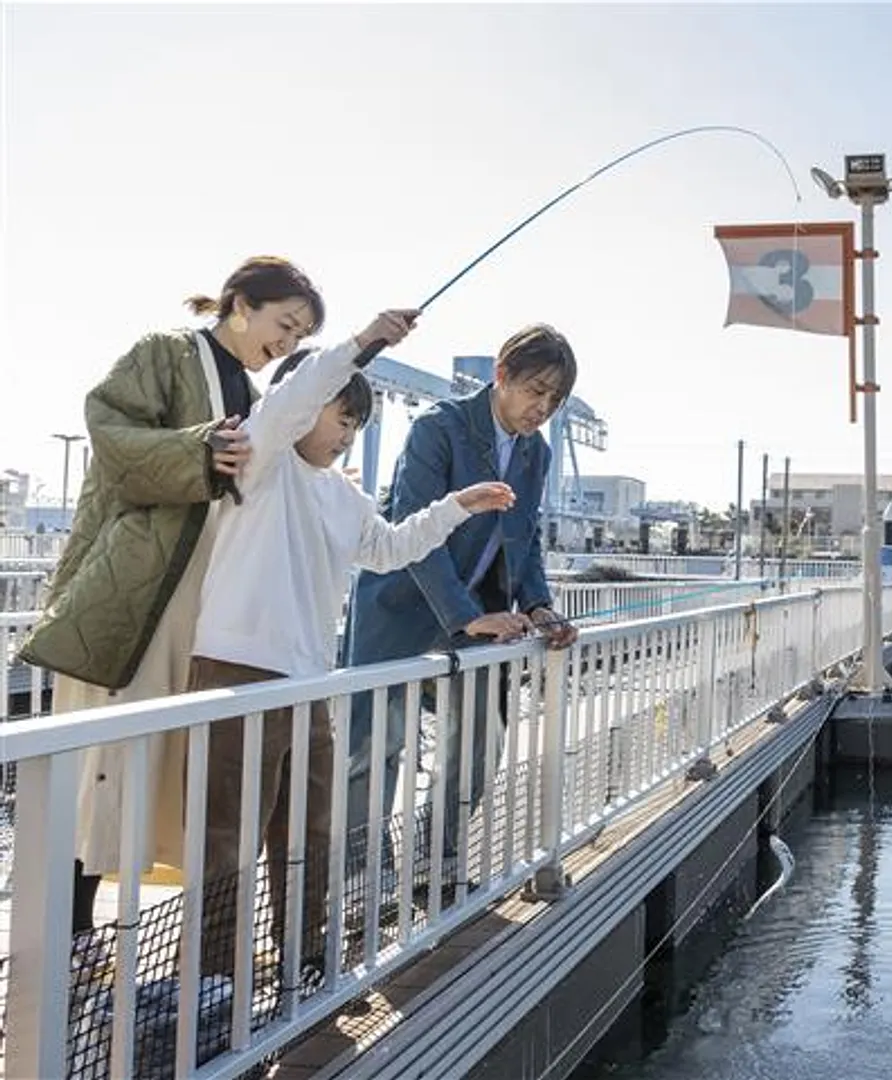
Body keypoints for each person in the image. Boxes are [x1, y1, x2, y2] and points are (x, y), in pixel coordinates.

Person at [185, 307, 516, 979]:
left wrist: (460, 506)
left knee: (308, 828)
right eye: (342, 417)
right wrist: (363, 344)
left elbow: (390, 549)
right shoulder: (262, 462)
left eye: (357, 424)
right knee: (229, 832)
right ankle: (216, 974)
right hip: (237, 669)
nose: (347, 434)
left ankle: (304, 956)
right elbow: (290, 399)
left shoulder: (344, 497)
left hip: (310, 679)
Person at [19, 256, 324, 935]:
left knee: (154, 767)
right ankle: (68, 931)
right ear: (240, 304)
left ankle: (104, 931)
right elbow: (111, 432)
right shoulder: (164, 353)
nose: (290, 343)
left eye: (302, 334)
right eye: (286, 323)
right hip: (139, 592)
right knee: (105, 766)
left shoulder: (249, 391)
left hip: (203, 600)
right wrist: (199, 450)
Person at [343, 324, 580, 889]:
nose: (541, 408)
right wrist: (464, 615)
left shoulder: (535, 451)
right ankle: (359, 882)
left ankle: (436, 862)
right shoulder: (438, 429)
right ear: (502, 376)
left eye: (554, 399)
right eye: (535, 390)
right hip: (401, 604)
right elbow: (413, 526)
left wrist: (540, 605)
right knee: (376, 745)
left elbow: (524, 538)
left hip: (477, 612)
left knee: (480, 738)